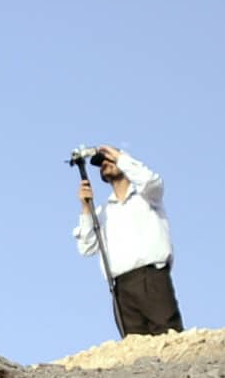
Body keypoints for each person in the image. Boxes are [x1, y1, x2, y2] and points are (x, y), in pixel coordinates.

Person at [73, 144, 181, 336]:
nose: (105, 163)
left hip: (152, 278)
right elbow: (86, 247)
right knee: (135, 349)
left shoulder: (147, 196)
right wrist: (86, 208)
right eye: (101, 163)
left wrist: (118, 155)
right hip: (121, 287)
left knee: (168, 336)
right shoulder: (103, 212)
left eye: (110, 160)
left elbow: (151, 181)